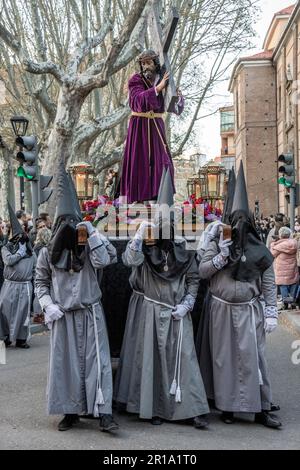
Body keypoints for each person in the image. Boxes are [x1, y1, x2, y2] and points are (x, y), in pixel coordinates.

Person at [115, 169, 209, 428]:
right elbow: (128, 261)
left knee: (184, 359)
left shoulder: (184, 249)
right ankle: (153, 407)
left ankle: (192, 409)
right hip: (150, 310)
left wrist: (188, 303)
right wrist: (136, 240)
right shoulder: (145, 247)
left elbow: (193, 279)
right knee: (151, 362)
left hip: (177, 312)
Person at [35, 165, 119, 432]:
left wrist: (92, 234)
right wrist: (48, 305)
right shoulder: (47, 253)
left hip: (90, 312)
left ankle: (104, 411)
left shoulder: (92, 243)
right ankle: (69, 412)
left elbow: (104, 260)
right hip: (64, 315)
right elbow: (41, 282)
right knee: (65, 366)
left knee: (99, 364)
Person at [198, 162, 282, 428]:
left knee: (253, 359)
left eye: (245, 221)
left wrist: (271, 311)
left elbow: (268, 280)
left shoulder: (258, 249)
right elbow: (202, 272)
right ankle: (227, 406)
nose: (241, 226)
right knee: (224, 361)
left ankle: (261, 408)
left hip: (249, 310)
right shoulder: (215, 242)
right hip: (221, 310)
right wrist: (221, 257)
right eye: (237, 221)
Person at [119, 49, 184, 204]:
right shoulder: (135, 80)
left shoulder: (164, 80)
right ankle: (139, 198)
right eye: (143, 63)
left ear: (155, 63)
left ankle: (160, 195)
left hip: (156, 127)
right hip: (139, 127)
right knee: (139, 162)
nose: (145, 66)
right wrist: (157, 89)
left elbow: (175, 109)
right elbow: (138, 101)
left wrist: (177, 96)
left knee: (163, 161)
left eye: (148, 63)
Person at [0, 202, 36, 348]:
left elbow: (35, 267)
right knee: (4, 310)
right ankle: (6, 336)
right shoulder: (5, 249)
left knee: (23, 313)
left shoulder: (30, 252)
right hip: (9, 285)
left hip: (25, 286)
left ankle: (21, 339)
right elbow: (8, 261)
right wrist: (20, 254)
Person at [270, 226, 299, 310]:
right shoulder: (294, 243)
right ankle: (292, 303)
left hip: (282, 270)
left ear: (280, 235)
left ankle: (285, 304)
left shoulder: (279, 246)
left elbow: (272, 254)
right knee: (293, 283)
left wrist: (272, 244)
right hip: (293, 268)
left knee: (284, 286)